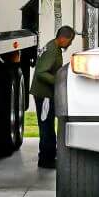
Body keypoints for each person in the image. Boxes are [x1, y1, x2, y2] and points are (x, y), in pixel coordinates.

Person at [31, 25, 75, 170]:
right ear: (63, 38)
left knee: (48, 125)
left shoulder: (53, 47)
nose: (70, 43)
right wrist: (58, 81)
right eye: (70, 40)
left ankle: (50, 155)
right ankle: (45, 159)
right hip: (44, 96)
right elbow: (41, 72)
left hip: (46, 95)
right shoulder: (51, 51)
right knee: (46, 127)